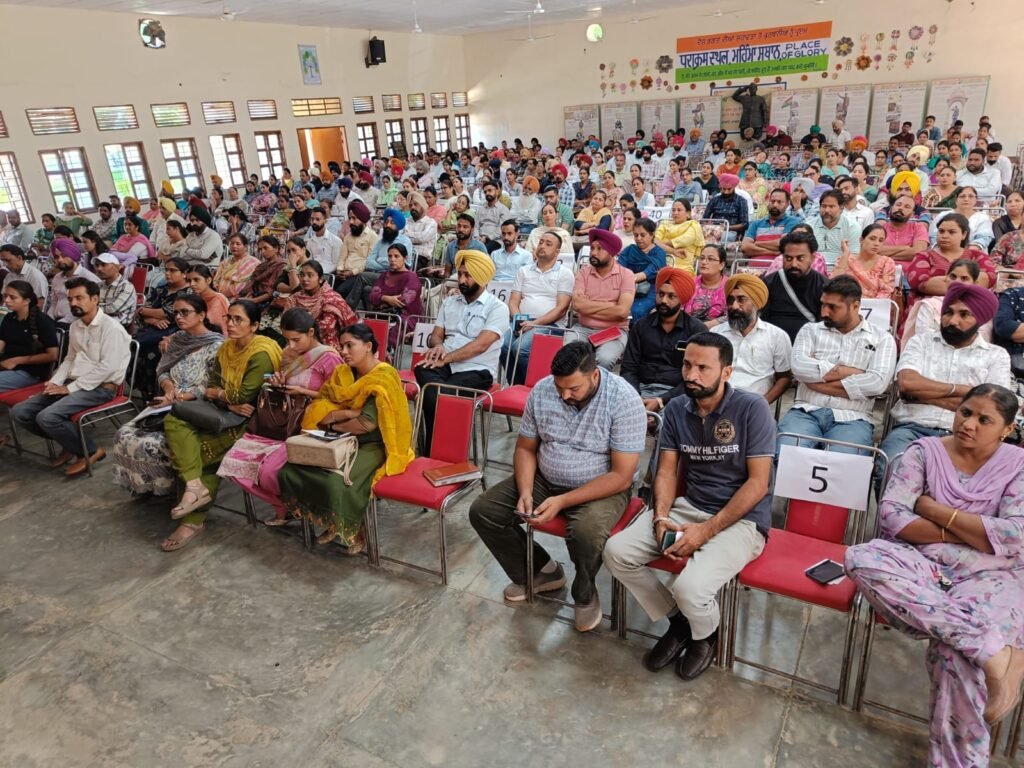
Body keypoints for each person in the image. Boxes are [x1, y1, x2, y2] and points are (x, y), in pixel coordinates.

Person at [845, 384, 1024, 767]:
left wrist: (936, 511)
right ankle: (994, 650)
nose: (969, 424)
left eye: (984, 419)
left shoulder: (1018, 465)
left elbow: (1016, 537)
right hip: (924, 566)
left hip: (991, 578)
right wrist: (976, 531)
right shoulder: (924, 453)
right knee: (861, 557)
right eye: (965, 412)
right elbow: (892, 516)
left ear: (1006, 429)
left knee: (953, 654)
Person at [604, 332, 773, 680]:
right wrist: (662, 516)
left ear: (726, 372)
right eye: (687, 365)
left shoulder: (751, 408)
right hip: (687, 506)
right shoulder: (679, 408)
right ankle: (680, 621)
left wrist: (706, 531)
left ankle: (705, 635)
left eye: (702, 368)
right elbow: (665, 469)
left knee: (690, 588)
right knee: (616, 551)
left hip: (741, 520)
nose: (691, 375)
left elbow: (758, 484)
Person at [469, 341, 646, 630]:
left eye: (573, 389)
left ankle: (585, 593)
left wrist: (563, 501)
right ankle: (542, 572)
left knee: (586, 532)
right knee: (484, 511)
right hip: (545, 478)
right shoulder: (543, 390)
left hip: (602, 486)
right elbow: (526, 448)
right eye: (560, 387)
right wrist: (526, 490)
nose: (564, 395)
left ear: (594, 375)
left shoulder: (623, 399)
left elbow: (621, 476)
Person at [275, 323, 413, 551]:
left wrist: (334, 420)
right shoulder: (343, 373)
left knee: (335, 481)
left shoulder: (383, 378)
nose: (344, 352)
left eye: (350, 345)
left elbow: (366, 424)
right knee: (294, 469)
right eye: (342, 346)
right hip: (336, 437)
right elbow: (325, 400)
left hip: (374, 444)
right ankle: (332, 520)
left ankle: (355, 529)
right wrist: (345, 413)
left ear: (368, 346)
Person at [160, 300, 282, 552]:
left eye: (239, 320)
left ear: (255, 325)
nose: (231, 324)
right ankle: (194, 488)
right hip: (222, 412)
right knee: (173, 418)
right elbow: (213, 386)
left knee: (200, 452)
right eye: (229, 318)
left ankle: (192, 521)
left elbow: (244, 397)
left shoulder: (262, 353)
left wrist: (222, 396)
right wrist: (224, 397)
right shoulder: (226, 348)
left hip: (250, 421)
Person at [217, 308, 343, 522]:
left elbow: (339, 398)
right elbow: (279, 379)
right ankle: (284, 504)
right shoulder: (289, 353)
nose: (291, 346)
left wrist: (305, 392)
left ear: (311, 332)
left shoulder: (328, 358)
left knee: (268, 472)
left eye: (296, 340)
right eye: (287, 340)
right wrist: (277, 381)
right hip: (281, 420)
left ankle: (292, 506)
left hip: (310, 426)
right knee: (232, 464)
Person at [12, 278, 131, 476]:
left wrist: (69, 388)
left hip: (102, 388)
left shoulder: (112, 328)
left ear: (95, 299)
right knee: (20, 412)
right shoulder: (76, 326)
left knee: (47, 417)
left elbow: (107, 368)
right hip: (74, 383)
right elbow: (69, 359)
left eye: (79, 298)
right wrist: (55, 381)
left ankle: (91, 451)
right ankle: (70, 442)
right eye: (70, 299)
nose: (73, 303)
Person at [111, 294, 224, 497]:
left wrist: (177, 397)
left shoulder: (216, 346)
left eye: (185, 312)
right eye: (177, 313)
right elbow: (162, 370)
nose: (179, 317)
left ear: (201, 315)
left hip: (197, 405)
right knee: (125, 433)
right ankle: (145, 485)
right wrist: (168, 387)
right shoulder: (179, 339)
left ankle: (171, 489)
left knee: (154, 443)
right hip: (168, 400)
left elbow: (208, 387)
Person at [883, 284, 1008, 465]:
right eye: (948, 312)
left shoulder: (996, 355)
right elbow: (907, 384)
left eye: (964, 315)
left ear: (980, 320)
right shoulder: (921, 342)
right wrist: (965, 391)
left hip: (967, 437)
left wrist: (920, 396)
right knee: (893, 467)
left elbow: (991, 407)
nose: (952, 321)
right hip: (912, 429)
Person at [778, 275, 897, 454]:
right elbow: (799, 367)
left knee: (846, 465)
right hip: (806, 411)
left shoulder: (882, 339)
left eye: (832, 307)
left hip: (854, 418)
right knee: (783, 454)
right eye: (823, 304)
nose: (824, 312)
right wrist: (852, 373)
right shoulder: (810, 330)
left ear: (856, 306)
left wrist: (815, 381)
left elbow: (877, 383)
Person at [414, 249, 509, 453]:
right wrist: (438, 346)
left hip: (476, 369)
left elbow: (481, 345)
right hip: (446, 364)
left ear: (482, 277)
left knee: (435, 393)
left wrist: (446, 358)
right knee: (423, 370)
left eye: (468, 275)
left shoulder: (497, 308)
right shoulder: (449, 302)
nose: (462, 280)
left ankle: (433, 451)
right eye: (461, 274)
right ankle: (440, 452)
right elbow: (436, 336)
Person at [621, 267, 704, 403]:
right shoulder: (641, 326)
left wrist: (661, 401)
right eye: (661, 294)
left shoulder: (696, 330)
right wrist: (636, 399)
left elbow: (697, 377)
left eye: (671, 296)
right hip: (639, 391)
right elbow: (628, 369)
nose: (664, 300)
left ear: (682, 299)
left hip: (679, 396)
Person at [503, 231, 574, 385]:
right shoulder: (524, 271)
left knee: (520, 348)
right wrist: (519, 321)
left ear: (557, 252)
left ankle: (533, 387)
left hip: (550, 324)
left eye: (548, 244)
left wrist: (535, 324)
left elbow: (561, 308)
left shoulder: (565, 274)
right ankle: (515, 387)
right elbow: (513, 302)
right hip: (523, 322)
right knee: (503, 344)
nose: (542, 246)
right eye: (541, 242)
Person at [711, 274, 793, 401]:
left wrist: (762, 405)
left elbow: (784, 378)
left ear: (756, 302)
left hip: (754, 405)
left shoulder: (777, 336)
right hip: (716, 402)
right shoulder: (716, 333)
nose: (734, 306)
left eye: (741, 300)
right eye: (730, 300)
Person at [909, 213, 996, 318]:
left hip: (969, 308)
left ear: (964, 234)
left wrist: (942, 282)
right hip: (927, 310)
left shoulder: (977, 256)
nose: (944, 235)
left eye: (951, 232)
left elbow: (988, 278)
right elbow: (920, 283)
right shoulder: (924, 256)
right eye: (941, 231)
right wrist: (967, 281)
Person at [572, 229, 635, 369]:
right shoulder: (583, 273)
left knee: (604, 360)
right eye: (592, 248)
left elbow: (622, 312)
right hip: (583, 328)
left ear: (612, 253)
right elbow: (576, 305)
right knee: (569, 356)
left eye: (600, 249)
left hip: (614, 331)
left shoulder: (627, 275)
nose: (593, 252)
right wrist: (611, 305)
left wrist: (588, 306)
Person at [760, 230, 827, 342]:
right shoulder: (768, 283)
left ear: (812, 257)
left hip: (810, 345)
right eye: (788, 258)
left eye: (800, 258)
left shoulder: (824, 286)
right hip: (772, 344)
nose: (794, 264)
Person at [284, 260, 357, 353]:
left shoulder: (331, 299)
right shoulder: (294, 298)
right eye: (302, 275)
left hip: (327, 346)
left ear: (321, 279)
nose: (305, 279)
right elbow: (286, 322)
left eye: (310, 275)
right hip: (296, 343)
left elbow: (326, 327)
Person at [0, 281, 59, 394]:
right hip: (6, 366)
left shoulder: (42, 321)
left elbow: (52, 355)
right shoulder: (9, 318)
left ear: (26, 301)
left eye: (12, 297)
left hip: (29, 372)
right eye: (5, 296)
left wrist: (17, 360)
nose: (7, 300)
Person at [368, 243, 424, 350]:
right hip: (383, 314)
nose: (392, 259)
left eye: (396, 256)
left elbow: (404, 300)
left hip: (406, 317)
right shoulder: (385, 275)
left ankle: (388, 357)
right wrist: (387, 298)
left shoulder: (411, 277)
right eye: (390, 256)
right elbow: (372, 296)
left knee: (391, 334)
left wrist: (381, 298)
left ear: (405, 258)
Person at [617, 218, 666, 320]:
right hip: (626, 287)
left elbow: (649, 272)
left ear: (652, 235)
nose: (638, 238)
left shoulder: (659, 253)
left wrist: (629, 279)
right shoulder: (630, 250)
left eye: (643, 235)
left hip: (652, 290)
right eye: (636, 235)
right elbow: (619, 269)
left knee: (636, 310)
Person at [831, 223, 897, 299]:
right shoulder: (846, 259)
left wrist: (869, 306)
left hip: (876, 307)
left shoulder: (887, 262)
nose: (876, 244)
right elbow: (833, 285)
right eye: (872, 239)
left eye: (881, 240)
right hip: (846, 304)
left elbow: (886, 291)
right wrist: (845, 254)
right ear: (861, 240)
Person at [46, 240, 100, 326]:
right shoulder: (57, 277)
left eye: (64, 256)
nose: (60, 260)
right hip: (56, 322)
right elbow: (54, 303)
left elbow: (91, 308)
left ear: (73, 255)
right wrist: (49, 320)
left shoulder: (88, 278)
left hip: (76, 323)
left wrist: (60, 323)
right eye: (56, 257)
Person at [930, 186, 995, 252]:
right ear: (956, 199)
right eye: (962, 196)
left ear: (976, 200)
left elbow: (984, 237)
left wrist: (967, 253)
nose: (966, 199)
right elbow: (934, 236)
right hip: (944, 252)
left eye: (970, 196)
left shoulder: (983, 218)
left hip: (974, 254)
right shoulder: (943, 215)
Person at [806, 190, 860, 268]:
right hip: (814, 270)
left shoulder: (852, 227)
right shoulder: (809, 226)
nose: (826, 210)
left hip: (842, 269)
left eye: (831, 206)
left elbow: (854, 256)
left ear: (841, 208)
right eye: (824, 206)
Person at [653, 200, 705, 272]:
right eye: (673, 210)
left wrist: (660, 244)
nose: (675, 213)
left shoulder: (694, 225)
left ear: (688, 214)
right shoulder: (664, 224)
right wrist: (657, 243)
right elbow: (654, 239)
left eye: (679, 210)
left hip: (683, 267)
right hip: (660, 264)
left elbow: (683, 240)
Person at [877, 194, 930, 263]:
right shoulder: (880, 228)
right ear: (891, 209)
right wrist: (905, 248)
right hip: (881, 270)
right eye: (898, 205)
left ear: (912, 214)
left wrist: (884, 253)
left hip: (909, 272)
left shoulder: (918, 228)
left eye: (907, 207)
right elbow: (874, 250)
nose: (901, 208)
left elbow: (918, 253)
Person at [684, 244, 728, 326]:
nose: (704, 262)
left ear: (721, 265)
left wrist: (708, 325)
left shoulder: (730, 287)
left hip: (718, 332)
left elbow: (733, 315)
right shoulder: (689, 283)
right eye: (702, 258)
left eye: (710, 259)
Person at [93, 253, 137, 327]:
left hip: (118, 328)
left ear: (117, 267)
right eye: (97, 265)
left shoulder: (126, 286)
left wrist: (91, 308)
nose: (99, 269)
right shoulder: (98, 285)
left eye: (103, 265)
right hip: (100, 322)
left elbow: (113, 309)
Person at [703, 174, 748, 243]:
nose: (726, 192)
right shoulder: (714, 200)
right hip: (713, 229)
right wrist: (712, 227)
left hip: (731, 231)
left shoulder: (741, 201)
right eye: (723, 189)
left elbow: (744, 224)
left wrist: (727, 227)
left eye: (729, 189)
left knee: (723, 238)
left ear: (733, 187)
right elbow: (705, 219)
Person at [185, 265, 230, 332]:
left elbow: (223, 327)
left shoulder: (219, 299)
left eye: (196, 280)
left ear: (208, 280)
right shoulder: (194, 298)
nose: (192, 284)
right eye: (189, 281)